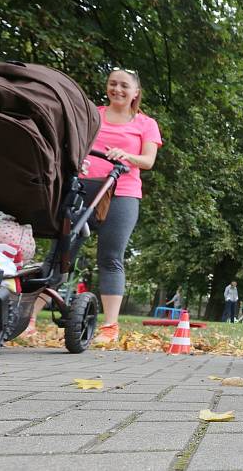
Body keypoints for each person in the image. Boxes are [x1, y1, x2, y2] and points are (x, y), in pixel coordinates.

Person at [78, 67, 162, 344]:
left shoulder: (145, 124)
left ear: (135, 92)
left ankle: (109, 326)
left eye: (124, 85)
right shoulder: (93, 115)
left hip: (122, 191)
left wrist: (126, 155)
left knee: (110, 257)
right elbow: (74, 144)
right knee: (63, 248)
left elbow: (148, 161)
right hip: (83, 186)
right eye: (113, 84)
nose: (118, 89)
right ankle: (28, 319)